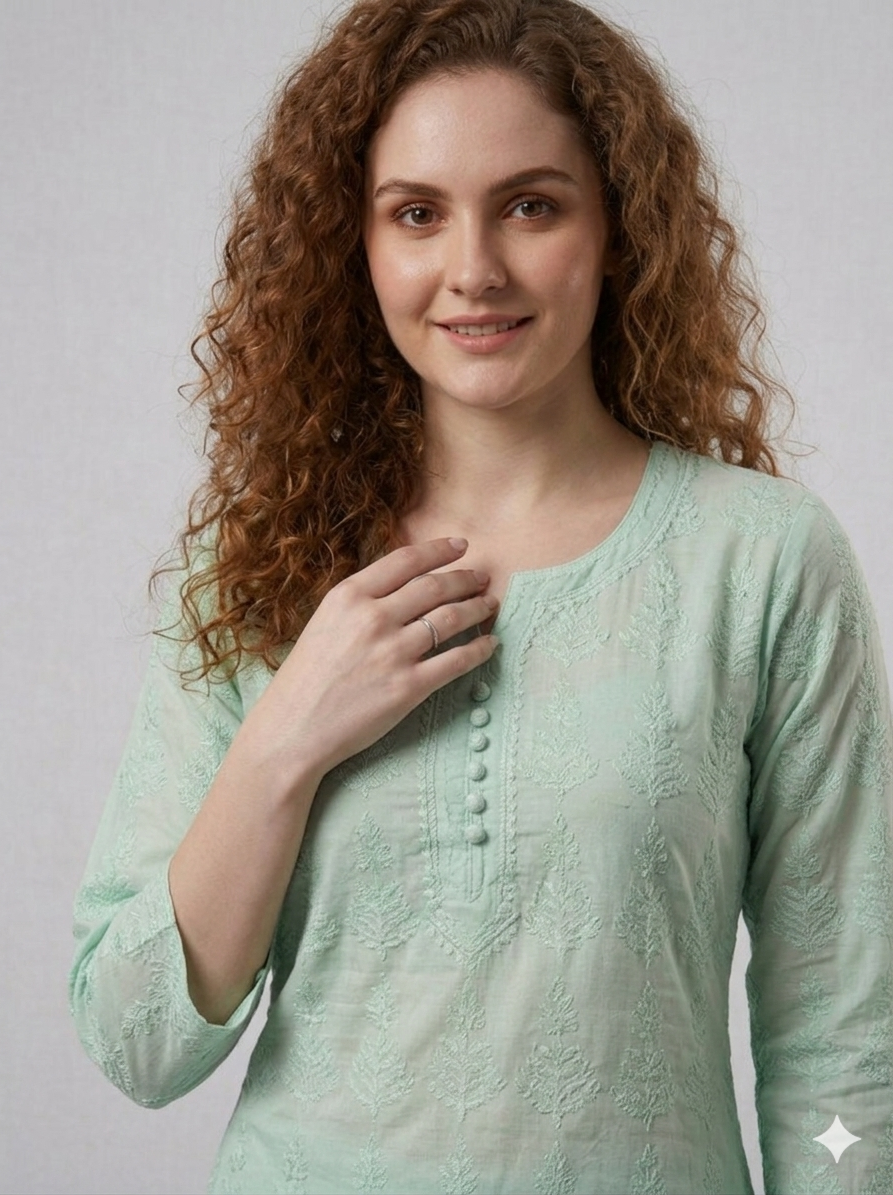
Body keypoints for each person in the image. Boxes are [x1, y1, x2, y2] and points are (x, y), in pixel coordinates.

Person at [69, 1, 893, 1192]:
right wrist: (284, 741)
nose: (473, 270)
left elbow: (842, 1032)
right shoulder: (261, 568)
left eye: (530, 206)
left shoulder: (759, 562)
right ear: (353, 243)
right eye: (416, 213)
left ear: (616, 225)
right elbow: (134, 1040)